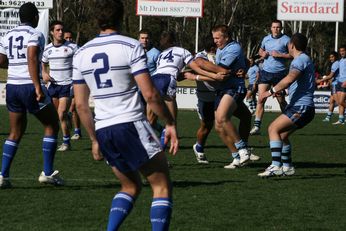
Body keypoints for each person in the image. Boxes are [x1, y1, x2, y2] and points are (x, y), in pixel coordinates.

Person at [72, 1, 178, 230]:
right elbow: (150, 94)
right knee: (161, 186)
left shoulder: (81, 53)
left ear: (96, 21)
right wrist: (169, 123)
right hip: (130, 123)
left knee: (130, 186)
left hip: (104, 130)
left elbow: (81, 105)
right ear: (121, 19)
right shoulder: (130, 46)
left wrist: (93, 140)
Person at [0, 2, 63, 188]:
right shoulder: (35, 34)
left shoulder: (7, 34)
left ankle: (3, 175)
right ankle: (48, 172)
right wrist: (37, 86)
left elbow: (2, 60)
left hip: (12, 86)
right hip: (29, 85)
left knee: (15, 132)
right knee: (52, 124)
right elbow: (32, 57)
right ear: (35, 17)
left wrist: (15, 64)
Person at [150, 31, 222, 149]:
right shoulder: (182, 51)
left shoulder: (161, 54)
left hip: (153, 79)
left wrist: (183, 74)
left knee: (150, 120)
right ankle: (161, 150)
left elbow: (169, 70)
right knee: (172, 122)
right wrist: (214, 76)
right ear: (175, 41)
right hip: (167, 79)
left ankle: (146, 151)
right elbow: (197, 68)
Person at [257, 33, 315, 177]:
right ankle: (287, 167)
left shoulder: (299, 60)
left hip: (301, 106)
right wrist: (284, 91)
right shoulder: (303, 59)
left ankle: (276, 166)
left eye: (288, 44)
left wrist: (270, 91)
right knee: (282, 135)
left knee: (273, 128)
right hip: (302, 106)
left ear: (292, 46)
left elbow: (289, 78)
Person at [211, 25, 254, 169]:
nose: (215, 41)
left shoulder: (233, 48)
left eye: (218, 38)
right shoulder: (220, 49)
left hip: (234, 88)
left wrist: (198, 68)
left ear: (227, 37)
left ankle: (243, 149)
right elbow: (245, 63)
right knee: (219, 126)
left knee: (222, 118)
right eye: (214, 38)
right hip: (222, 89)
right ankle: (236, 157)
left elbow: (222, 69)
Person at [250, 20, 292, 135]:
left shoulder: (287, 39)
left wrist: (280, 55)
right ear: (271, 28)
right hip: (265, 72)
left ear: (281, 28)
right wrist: (262, 54)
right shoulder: (266, 39)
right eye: (274, 27)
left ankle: (289, 123)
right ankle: (257, 126)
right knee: (261, 99)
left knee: (281, 100)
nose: (276, 29)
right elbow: (260, 50)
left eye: (278, 27)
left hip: (279, 74)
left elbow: (292, 54)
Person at [42, 21, 78, 151]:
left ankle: (66, 143)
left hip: (67, 84)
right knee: (58, 116)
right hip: (53, 85)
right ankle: (68, 120)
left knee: (61, 113)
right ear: (52, 32)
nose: (61, 32)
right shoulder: (47, 49)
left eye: (62, 30)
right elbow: (43, 64)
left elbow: (79, 63)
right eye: (57, 30)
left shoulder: (73, 47)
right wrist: (44, 73)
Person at [64, 30, 83, 140]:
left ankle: (76, 131)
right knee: (71, 109)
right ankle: (77, 131)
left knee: (73, 107)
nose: (69, 40)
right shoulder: (61, 49)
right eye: (67, 38)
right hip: (65, 83)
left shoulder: (78, 49)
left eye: (70, 37)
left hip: (77, 81)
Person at [316, 51, 339, 122]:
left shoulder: (335, 64)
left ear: (336, 57)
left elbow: (331, 75)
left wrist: (320, 80)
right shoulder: (336, 63)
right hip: (335, 84)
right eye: (330, 57)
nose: (331, 58)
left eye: (332, 57)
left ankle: (342, 116)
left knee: (339, 102)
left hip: (337, 84)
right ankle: (328, 117)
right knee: (331, 101)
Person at [334, 45, 346, 125]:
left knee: (342, 101)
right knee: (339, 102)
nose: (342, 52)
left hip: (345, 82)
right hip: (339, 82)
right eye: (340, 51)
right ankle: (341, 119)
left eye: (343, 51)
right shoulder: (340, 60)